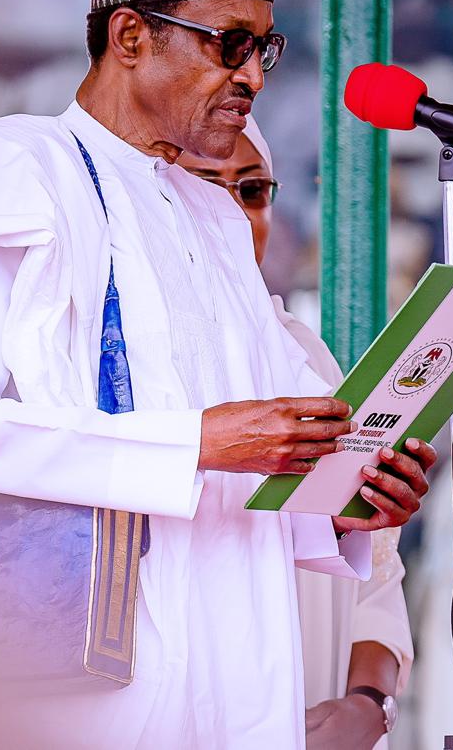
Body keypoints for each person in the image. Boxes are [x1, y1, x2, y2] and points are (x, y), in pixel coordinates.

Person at [0, 0, 435, 748]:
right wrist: (195, 443)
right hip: (88, 688)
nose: (253, 77)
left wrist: (344, 503)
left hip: (241, 674)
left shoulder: (213, 218)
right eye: (230, 44)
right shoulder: (16, 170)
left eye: (265, 47)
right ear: (130, 36)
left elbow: (258, 458)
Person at [177, 117, 413, 750]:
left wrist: (369, 707)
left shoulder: (305, 355)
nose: (235, 213)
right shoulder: (135, 365)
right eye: (205, 187)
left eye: (252, 190)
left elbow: (377, 576)